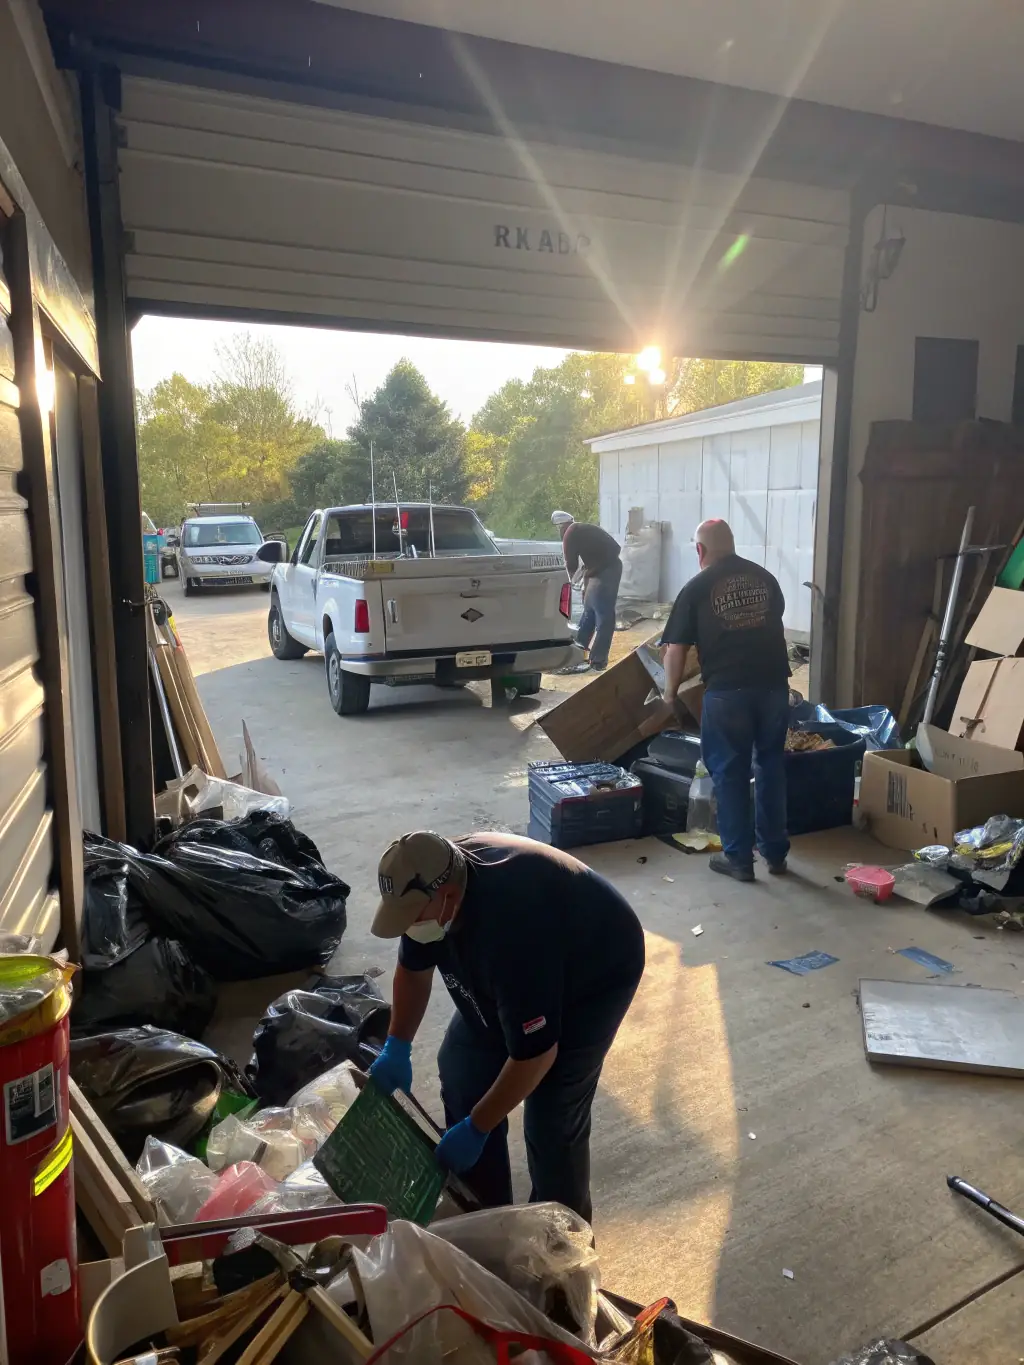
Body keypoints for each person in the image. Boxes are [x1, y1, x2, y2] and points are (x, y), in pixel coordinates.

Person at [367, 830, 645, 1222]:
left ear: (448, 896)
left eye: (413, 915)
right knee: (462, 1071)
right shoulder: (432, 893)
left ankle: (562, 1242)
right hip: (524, 965)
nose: (409, 925)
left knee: (552, 1120)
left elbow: (535, 1055)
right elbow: (412, 971)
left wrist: (477, 1128)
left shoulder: (512, 932)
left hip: (596, 969)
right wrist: (397, 1045)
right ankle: (486, 1215)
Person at [660, 518, 791, 882]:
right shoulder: (765, 579)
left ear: (700, 551)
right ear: (731, 545)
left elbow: (675, 650)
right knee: (771, 767)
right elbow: (773, 626)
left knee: (730, 773)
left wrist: (670, 695)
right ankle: (776, 855)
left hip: (728, 693)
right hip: (774, 689)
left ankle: (738, 860)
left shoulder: (697, 587)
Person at [551, 511, 621, 671]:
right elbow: (585, 566)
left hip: (608, 569)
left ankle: (597, 660)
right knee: (589, 611)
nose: (559, 533)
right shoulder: (581, 530)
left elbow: (571, 565)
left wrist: (569, 583)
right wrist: (585, 586)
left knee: (604, 615)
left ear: (562, 526)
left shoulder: (571, 533)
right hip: (599, 569)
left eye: (558, 529)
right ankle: (578, 653)